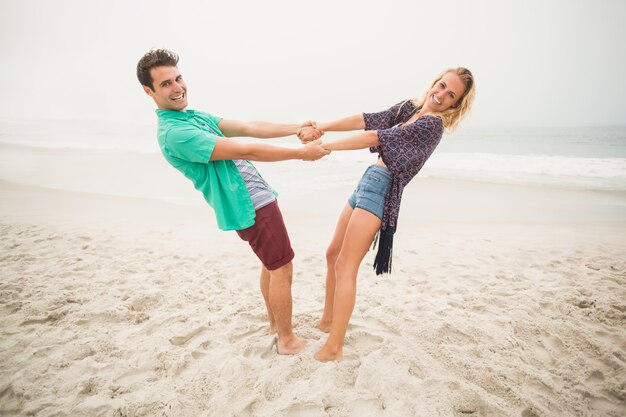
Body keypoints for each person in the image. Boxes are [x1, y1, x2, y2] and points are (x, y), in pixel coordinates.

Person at [136, 49, 328, 355]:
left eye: (179, 78)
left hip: (256, 196)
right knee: (282, 267)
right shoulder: (176, 133)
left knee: (272, 264)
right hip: (248, 203)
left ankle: (276, 327)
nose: (177, 87)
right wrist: (302, 153)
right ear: (149, 91)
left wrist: (295, 129)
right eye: (166, 84)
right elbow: (245, 149)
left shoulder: (192, 117)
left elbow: (249, 128)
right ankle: (287, 341)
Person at [297, 67, 475, 361]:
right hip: (368, 179)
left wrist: (322, 146)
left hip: (383, 189)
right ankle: (328, 321)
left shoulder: (431, 126)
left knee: (345, 265)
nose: (441, 94)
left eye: (451, 94)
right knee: (332, 254)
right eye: (441, 85)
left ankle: (334, 347)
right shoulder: (409, 108)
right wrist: (322, 126)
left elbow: (373, 136)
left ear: (456, 105)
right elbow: (367, 119)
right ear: (434, 82)